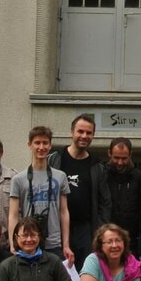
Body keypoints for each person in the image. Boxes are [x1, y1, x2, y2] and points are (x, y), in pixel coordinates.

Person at [48, 114, 112, 269]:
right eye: (80, 131)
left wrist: (100, 232)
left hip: (85, 230)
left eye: (89, 133)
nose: (84, 136)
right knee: (58, 272)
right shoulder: (54, 160)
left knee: (85, 271)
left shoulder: (97, 166)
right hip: (56, 227)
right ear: (72, 132)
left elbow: (105, 203)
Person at [8, 126, 73, 265]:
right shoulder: (18, 179)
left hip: (54, 243)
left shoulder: (60, 176)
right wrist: (13, 243)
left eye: (45, 143)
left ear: (50, 146)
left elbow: (64, 211)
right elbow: (13, 214)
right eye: (37, 143)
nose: (41, 147)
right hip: (27, 242)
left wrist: (66, 245)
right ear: (29, 144)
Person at [105, 137, 141, 240]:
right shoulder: (102, 174)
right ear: (109, 153)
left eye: (124, 158)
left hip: (131, 236)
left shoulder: (138, 176)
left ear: (130, 155)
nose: (120, 162)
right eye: (116, 158)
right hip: (106, 233)